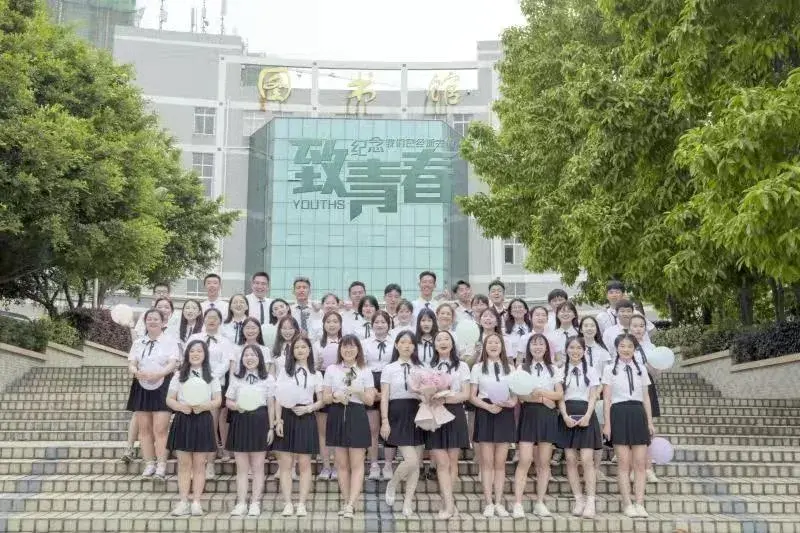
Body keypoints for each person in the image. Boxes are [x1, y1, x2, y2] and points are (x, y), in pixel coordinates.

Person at [602, 334, 655, 518]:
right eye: (622, 346)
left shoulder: (641, 369)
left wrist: (650, 421)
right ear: (617, 348)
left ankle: (640, 503)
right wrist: (607, 424)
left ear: (635, 348)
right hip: (619, 413)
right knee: (624, 463)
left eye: (630, 346)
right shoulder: (609, 369)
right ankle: (627, 504)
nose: (626, 349)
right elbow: (607, 399)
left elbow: (646, 397)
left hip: (638, 413)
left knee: (640, 463)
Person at [165, 339, 221, 516]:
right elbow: (169, 399)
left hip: (202, 419)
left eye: (199, 351)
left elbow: (217, 400)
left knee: (199, 464)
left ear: (205, 355)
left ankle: (196, 502)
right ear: (187, 354)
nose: (196, 354)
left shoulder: (211, 375)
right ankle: (183, 501)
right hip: (183, 419)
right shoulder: (179, 375)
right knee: (184, 464)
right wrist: (181, 407)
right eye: (192, 351)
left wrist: (204, 406)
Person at [323, 334, 375, 518]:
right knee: (342, 464)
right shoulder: (332, 369)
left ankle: (352, 504)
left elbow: (370, 400)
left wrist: (357, 391)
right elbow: (325, 398)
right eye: (345, 346)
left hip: (357, 414)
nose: (348, 350)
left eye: (352, 346)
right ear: (340, 350)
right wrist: (335, 396)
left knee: (357, 463)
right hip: (337, 413)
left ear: (358, 349)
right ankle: (346, 502)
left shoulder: (365, 370)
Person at [512, 333, 563, 518]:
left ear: (547, 348)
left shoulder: (553, 368)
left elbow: (559, 395)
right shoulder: (522, 368)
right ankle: (518, 503)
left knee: (543, 462)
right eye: (534, 344)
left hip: (547, 417)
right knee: (525, 459)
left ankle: (540, 502)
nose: (538, 347)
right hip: (529, 415)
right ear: (529, 348)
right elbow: (521, 395)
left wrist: (540, 392)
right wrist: (542, 399)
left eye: (541, 344)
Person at [273, 335, 325, 516]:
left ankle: (301, 504)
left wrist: (308, 409)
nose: (300, 350)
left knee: (304, 463)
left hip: (306, 416)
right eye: (296, 347)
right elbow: (278, 397)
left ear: (309, 350)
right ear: (291, 351)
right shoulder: (284, 372)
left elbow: (321, 401)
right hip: (287, 416)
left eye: (303, 347)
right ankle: (287, 503)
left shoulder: (316, 374)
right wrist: (278, 420)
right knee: (286, 464)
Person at [127, 309, 181, 479]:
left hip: (162, 384)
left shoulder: (170, 341)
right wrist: (135, 372)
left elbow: (172, 363)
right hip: (141, 384)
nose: (152, 321)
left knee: (160, 428)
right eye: (149, 319)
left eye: (156, 319)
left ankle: (161, 465)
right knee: (144, 428)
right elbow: (132, 363)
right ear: (145, 322)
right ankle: (149, 463)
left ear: (163, 322)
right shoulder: (139, 342)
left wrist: (159, 374)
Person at [470, 332, 517, 518]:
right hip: (485, 411)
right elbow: (472, 396)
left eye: (497, 342)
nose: (493, 345)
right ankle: (488, 502)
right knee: (487, 462)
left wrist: (511, 403)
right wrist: (488, 407)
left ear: (502, 346)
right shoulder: (478, 368)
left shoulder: (510, 368)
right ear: (485, 346)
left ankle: (499, 502)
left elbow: (514, 396)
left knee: (500, 462)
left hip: (504, 412)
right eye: (490, 342)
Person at [187, 308, 237, 479]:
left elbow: (226, 363)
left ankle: (210, 464)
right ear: (204, 319)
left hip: (215, 385)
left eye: (215, 318)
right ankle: (194, 464)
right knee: (194, 425)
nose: (212, 320)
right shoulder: (195, 338)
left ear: (220, 321)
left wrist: (210, 377)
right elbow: (189, 358)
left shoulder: (225, 341)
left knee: (211, 426)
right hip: (193, 385)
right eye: (209, 317)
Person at [226, 344, 276, 517]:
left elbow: (271, 404)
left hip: (260, 421)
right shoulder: (236, 378)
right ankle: (241, 503)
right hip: (240, 420)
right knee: (241, 468)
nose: (249, 358)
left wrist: (271, 427)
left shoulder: (268, 378)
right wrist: (236, 406)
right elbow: (228, 401)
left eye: (253, 355)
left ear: (260, 358)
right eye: (246, 355)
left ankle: (255, 502)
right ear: (242, 359)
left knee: (258, 466)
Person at [381, 330, 426, 517]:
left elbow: (426, 392)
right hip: (397, 413)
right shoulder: (389, 368)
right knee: (411, 460)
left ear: (415, 346)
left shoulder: (421, 368)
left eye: (410, 343)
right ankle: (392, 483)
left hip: (418, 412)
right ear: (396, 345)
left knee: (416, 464)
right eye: (403, 342)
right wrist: (384, 420)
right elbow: (384, 397)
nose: (407, 346)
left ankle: (408, 502)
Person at [427, 331, 471, 519]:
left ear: (452, 343)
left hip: (455, 413)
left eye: (446, 339)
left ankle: (448, 504)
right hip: (435, 414)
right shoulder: (428, 366)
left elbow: (466, 394)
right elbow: (423, 392)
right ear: (434, 345)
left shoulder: (462, 366)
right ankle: (450, 504)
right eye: (439, 339)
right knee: (442, 462)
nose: (443, 342)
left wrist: (445, 398)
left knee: (452, 462)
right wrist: (430, 396)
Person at [558, 336, 602, 518]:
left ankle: (591, 501)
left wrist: (588, 416)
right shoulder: (560, 370)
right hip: (567, 415)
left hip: (586, 414)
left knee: (586, 459)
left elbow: (593, 396)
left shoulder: (591, 370)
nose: (575, 351)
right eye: (571, 348)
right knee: (570, 459)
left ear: (584, 351)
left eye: (578, 348)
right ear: (566, 350)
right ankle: (579, 499)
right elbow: (560, 397)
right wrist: (564, 416)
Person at [577, 315, 612, 481]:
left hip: (598, 396)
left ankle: (596, 469)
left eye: (592, 325)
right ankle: (582, 466)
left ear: (597, 329)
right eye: (586, 325)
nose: (589, 328)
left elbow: (606, 377)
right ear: (581, 328)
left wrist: (597, 392)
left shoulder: (603, 352)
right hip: (578, 396)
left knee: (597, 434)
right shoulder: (575, 347)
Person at [363, 310, 396, 481]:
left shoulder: (395, 342)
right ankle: (374, 464)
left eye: (383, 322)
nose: (380, 325)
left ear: (388, 325)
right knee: (373, 428)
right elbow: (362, 365)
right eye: (376, 322)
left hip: (391, 381)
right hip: (371, 381)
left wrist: (386, 390)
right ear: (372, 324)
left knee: (389, 424)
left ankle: (389, 464)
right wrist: (371, 390)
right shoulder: (365, 343)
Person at [629, 314, 661, 483]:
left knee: (648, 428)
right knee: (631, 429)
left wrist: (650, 365)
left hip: (647, 385)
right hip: (629, 387)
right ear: (629, 328)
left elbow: (657, 373)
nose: (638, 329)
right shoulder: (624, 344)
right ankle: (633, 468)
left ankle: (648, 468)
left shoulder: (651, 347)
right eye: (635, 326)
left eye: (641, 326)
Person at [313, 310, 343, 481]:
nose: (332, 324)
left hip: (341, 383)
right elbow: (312, 366)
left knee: (338, 430)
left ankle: (338, 466)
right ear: (323, 325)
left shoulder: (346, 342)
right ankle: (325, 466)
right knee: (323, 431)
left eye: (335, 321)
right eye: (328, 321)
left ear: (340, 324)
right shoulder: (317, 344)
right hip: (322, 381)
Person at [547, 301, 579, 366]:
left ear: (574, 315)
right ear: (557, 315)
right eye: (562, 311)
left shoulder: (581, 333)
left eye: (569, 311)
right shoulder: (550, 336)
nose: (565, 314)